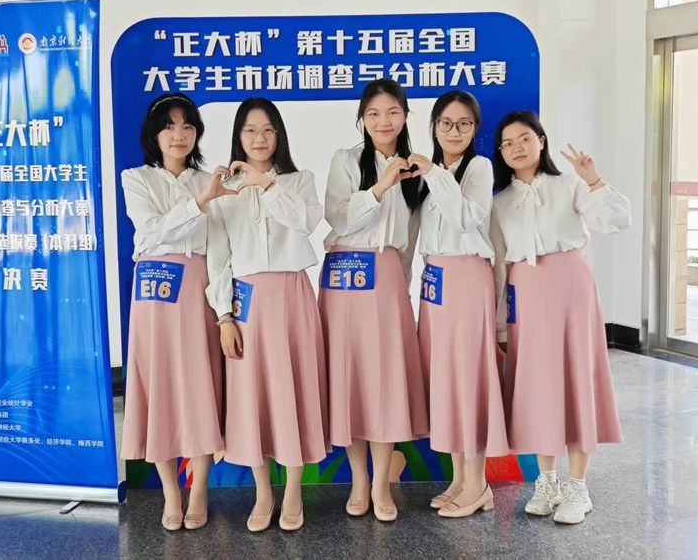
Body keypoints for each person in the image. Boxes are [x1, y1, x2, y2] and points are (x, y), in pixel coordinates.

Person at [490, 110, 631, 524]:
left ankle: (578, 487)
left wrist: (594, 179)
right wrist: (500, 323)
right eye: (507, 143)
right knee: (538, 387)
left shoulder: (570, 185)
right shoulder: (500, 201)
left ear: (541, 140)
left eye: (524, 138)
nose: (516, 148)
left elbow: (617, 219)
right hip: (526, 293)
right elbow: (499, 265)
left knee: (576, 381)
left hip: (571, 289)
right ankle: (547, 481)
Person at [206, 98, 330, 532]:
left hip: (292, 294)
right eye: (250, 130)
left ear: (279, 135)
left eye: (267, 130)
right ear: (238, 136)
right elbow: (218, 256)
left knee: (295, 392)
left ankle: (293, 492)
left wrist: (267, 184)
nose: (259, 138)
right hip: (247, 302)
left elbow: (306, 223)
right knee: (252, 396)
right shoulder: (223, 189)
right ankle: (263, 493)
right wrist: (224, 317)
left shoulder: (299, 180)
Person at [120, 93, 236, 531]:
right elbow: (150, 233)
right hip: (152, 292)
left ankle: (200, 488)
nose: (179, 135)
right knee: (160, 390)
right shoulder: (136, 179)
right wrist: (198, 203)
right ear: (154, 134)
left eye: (188, 126)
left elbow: (220, 250)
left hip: (196, 289)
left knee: (199, 387)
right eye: (169, 126)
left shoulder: (210, 180)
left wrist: (223, 313)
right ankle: (171, 491)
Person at [320, 78, 429, 522]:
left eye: (392, 112)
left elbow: (411, 238)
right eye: (374, 114)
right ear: (362, 119)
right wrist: (381, 186)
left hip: (385, 278)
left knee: (384, 382)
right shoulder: (345, 160)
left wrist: (401, 285)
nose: (384, 122)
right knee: (350, 381)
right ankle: (359, 480)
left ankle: (382, 483)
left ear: (405, 116)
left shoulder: (419, 170)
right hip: (344, 275)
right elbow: (337, 218)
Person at [410, 91, 510, 518]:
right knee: (446, 378)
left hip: (467, 277)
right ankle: (459, 478)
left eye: (464, 123)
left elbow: (466, 218)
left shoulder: (478, 167)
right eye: (446, 123)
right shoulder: (427, 174)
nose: (455, 131)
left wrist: (434, 173)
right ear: (434, 126)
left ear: (475, 128)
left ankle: (478, 483)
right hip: (434, 280)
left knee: (468, 378)